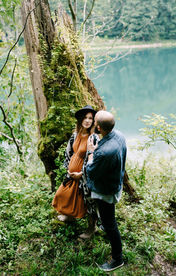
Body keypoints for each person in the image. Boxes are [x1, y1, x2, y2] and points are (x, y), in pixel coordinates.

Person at [86, 110, 127, 272]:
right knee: (108, 218)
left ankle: (117, 258)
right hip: (115, 183)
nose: (93, 123)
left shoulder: (104, 152)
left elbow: (91, 171)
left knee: (110, 224)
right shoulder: (119, 135)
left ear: (99, 127)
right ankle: (105, 224)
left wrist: (91, 152)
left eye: (95, 121)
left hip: (106, 191)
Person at [52, 105, 99, 235]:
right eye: (85, 118)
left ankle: (91, 228)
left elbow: (94, 160)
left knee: (88, 201)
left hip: (84, 175)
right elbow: (69, 153)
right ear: (80, 119)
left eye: (90, 118)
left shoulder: (93, 138)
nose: (88, 121)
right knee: (64, 195)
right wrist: (68, 169)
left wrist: (82, 173)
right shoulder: (75, 135)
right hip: (72, 173)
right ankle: (70, 216)